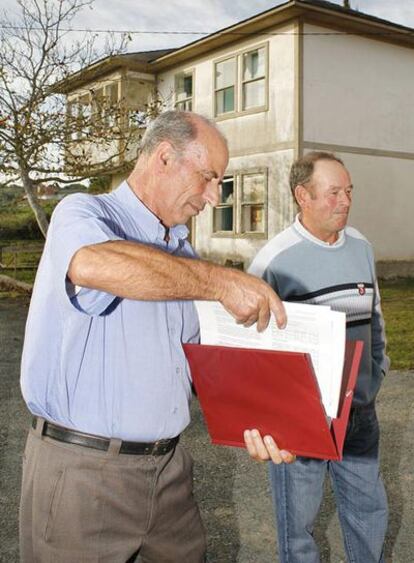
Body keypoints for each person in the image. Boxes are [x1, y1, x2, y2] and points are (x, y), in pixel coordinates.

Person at [19, 110, 294, 563]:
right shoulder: (85, 213)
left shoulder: (182, 251)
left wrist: (270, 423)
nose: (212, 197)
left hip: (169, 474)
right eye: (208, 178)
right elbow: (94, 264)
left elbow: (207, 370)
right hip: (83, 474)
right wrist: (222, 283)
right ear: (165, 157)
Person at [249, 152, 389, 563]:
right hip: (300, 419)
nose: (344, 201)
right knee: (299, 530)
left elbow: (375, 317)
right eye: (333, 193)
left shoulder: (361, 247)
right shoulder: (273, 260)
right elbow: (250, 346)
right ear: (302, 196)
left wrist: (375, 373)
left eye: (348, 191)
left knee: (369, 513)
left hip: (358, 413)